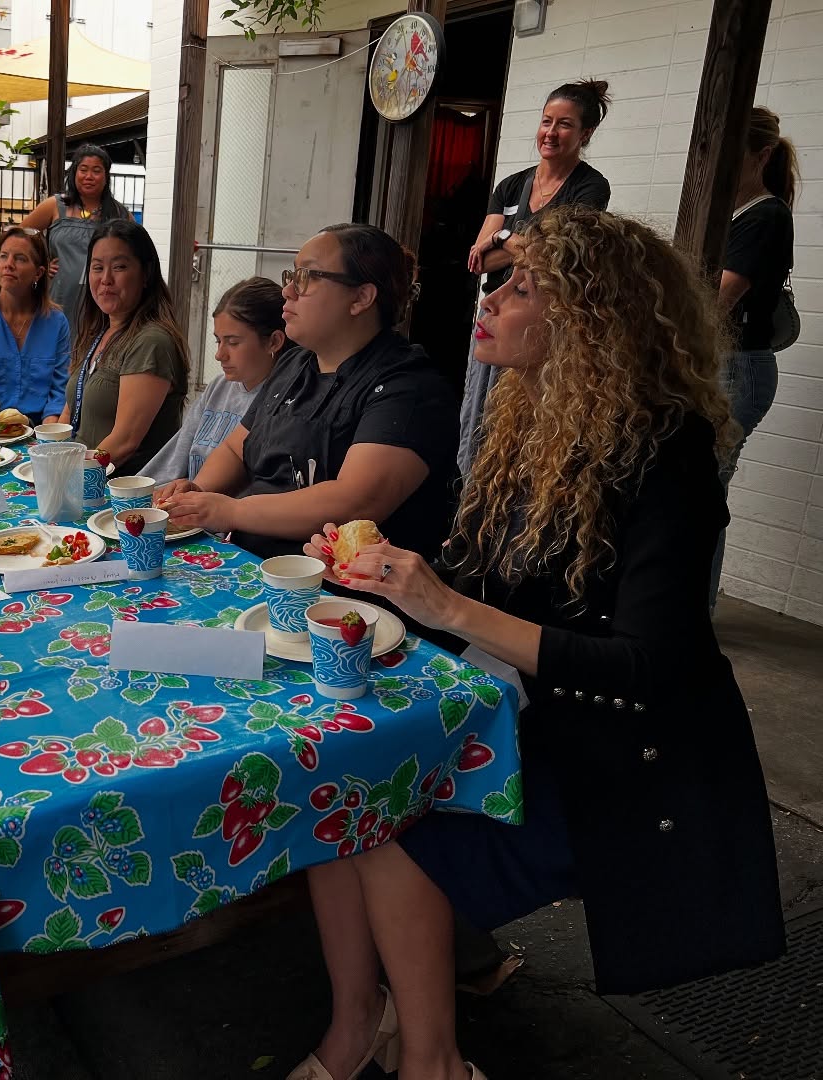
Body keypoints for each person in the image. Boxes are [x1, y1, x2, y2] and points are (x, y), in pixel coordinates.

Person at [289, 207, 783, 1080]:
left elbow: (644, 669)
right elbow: (482, 578)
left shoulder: (669, 453)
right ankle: (359, 1021)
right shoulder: (532, 421)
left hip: (631, 761)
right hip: (528, 717)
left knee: (389, 829)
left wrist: (444, 605)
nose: (492, 299)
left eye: (523, 287)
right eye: (500, 281)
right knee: (342, 789)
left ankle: (434, 1060)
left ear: (591, 319)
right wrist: (365, 568)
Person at [154, 224, 457, 563]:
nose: (287, 291)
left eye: (307, 277)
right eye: (291, 275)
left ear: (361, 298)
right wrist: (199, 491)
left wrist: (232, 511)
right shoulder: (294, 365)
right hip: (252, 566)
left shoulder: (409, 386)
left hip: (339, 598)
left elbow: (354, 501)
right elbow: (236, 448)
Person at [457, 80, 612, 476]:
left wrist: (504, 235)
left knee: (521, 428)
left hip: (538, 325)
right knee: (476, 421)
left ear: (585, 134)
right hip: (494, 318)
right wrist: (510, 245)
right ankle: (470, 505)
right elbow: (480, 260)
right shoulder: (511, 185)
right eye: (546, 121)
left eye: (564, 125)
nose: (551, 133)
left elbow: (552, 256)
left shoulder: (590, 187)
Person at [710, 106, 797, 608]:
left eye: (732, 157)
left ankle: (690, 618)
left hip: (738, 370)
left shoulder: (765, 216)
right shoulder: (731, 212)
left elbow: (714, 299)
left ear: (761, 155)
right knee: (695, 492)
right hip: (721, 365)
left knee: (701, 495)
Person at [57, 219, 189, 474]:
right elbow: (68, 416)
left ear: (146, 273)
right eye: (97, 268)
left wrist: (66, 474)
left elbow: (124, 442)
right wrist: (50, 459)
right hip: (81, 476)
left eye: (119, 267)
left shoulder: (151, 341)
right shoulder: (99, 333)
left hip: (120, 494)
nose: (106, 279)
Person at [141, 276, 288, 482]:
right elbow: (171, 465)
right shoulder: (218, 388)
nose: (219, 355)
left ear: (274, 341)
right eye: (218, 340)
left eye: (233, 342)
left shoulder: (285, 401)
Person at [0, 224, 70, 426]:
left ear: (38, 273)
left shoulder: (56, 322)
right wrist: (5, 426)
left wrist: (47, 433)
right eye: (4, 256)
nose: (8, 264)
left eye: (20, 259)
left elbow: (59, 389)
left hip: (43, 428)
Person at [19, 143, 131, 320]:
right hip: (59, 300)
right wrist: (39, 263)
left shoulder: (118, 214)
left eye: (96, 170)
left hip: (102, 304)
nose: (89, 176)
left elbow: (137, 254)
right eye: (83, 169)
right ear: (74, 173)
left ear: (106, 176)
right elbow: (19, 236)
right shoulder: (55, 205)